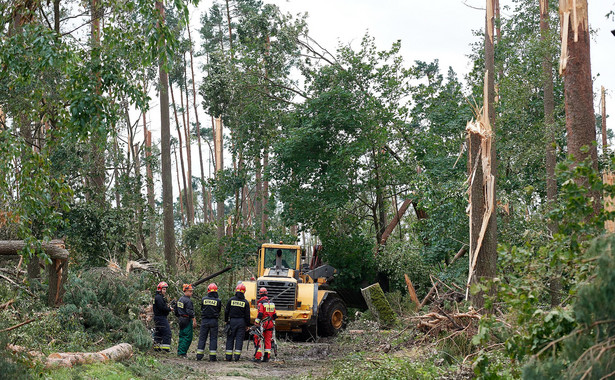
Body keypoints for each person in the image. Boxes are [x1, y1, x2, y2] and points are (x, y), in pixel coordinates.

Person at [224, 283, 250, 362]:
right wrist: (247, 325)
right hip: (241, 322)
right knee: (239, 339)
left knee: (230, 338)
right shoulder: (245, 302)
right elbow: (247, 315)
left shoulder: (231, 300)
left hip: (232, 321)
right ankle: (237, 357)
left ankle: (228, 357)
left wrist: (226, 320)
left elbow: (226, 311)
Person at [196, 283, 222, 361]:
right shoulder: (218, 300)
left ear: (208, 290)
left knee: (202, 338)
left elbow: (202, 308)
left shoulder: (204, 299)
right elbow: (219, 310)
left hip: (205, 321)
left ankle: (199, 356)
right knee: (213, 338)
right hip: (214, 321)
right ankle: (212, 357)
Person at [253, 287, 277, 363]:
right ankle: (267, 357)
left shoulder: (261, 303)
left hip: (263, 324)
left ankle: (258, 357)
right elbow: (275, 315)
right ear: (266, 293)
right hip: (270, 324)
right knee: (268, 340)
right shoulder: (272, 303)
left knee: (257, 338)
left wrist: (256, 323)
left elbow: (260, 314)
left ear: (260, 294)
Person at [176, 284, 196, 357]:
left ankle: (180, 351)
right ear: (186, 291)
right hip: (186, 319)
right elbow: (190, 312)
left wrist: (179, 316)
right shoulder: (188, 301)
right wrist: (194, 320)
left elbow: (176, 310)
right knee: (188, 336)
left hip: (181, 319)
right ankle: (182, 353)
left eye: (192, 291)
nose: (191, 293)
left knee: (182, 335)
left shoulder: (180, 299)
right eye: (190, 291)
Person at [153, 281, 172, 353]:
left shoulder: (158, 297)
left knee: (158, 333)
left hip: (158, 317)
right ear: (160, 289)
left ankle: (156, 348)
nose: (165, 291)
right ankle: (165, 349)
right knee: (167, 333)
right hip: (161, 318)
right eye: (164, 289)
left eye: (165, 289)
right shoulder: (159, 298)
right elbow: (162, 308)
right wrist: (169, 309)